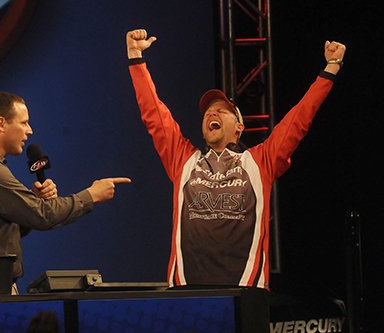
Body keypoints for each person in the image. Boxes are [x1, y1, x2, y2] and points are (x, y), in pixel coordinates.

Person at [125, 29, 345, 332]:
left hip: (245, 295)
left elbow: (299, 119)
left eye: (222, 111)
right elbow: (154, 114)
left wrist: (329, 69)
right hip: (188, 295)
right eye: (207, 112)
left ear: (239, 127)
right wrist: (136, 59)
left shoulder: (259, 162)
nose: (211, 113)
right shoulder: (184, 161)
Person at [0, 91, 131, 292]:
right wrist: (92, 195)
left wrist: (31, 201)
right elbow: (43, 216)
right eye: (24, 123)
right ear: (1, 123)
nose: (30, 131)